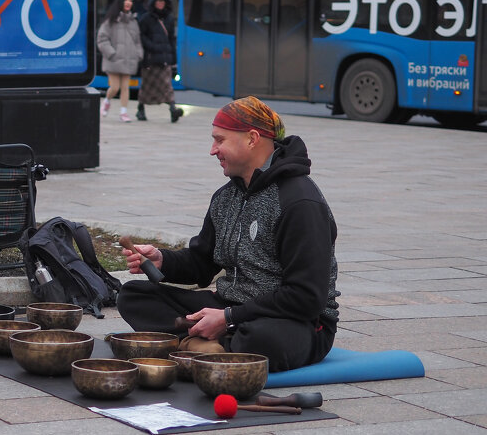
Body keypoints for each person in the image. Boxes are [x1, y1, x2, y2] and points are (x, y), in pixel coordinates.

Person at [116, 97, 338, 372]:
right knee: (132, 296)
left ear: (252, 139)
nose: (213, 150)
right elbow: (202, 263)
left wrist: (229, 318)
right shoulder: (226, 197)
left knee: (258, 339)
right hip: (232, 307)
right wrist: (163, 260)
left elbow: (306, 298)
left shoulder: (300, 202)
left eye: (220, 140)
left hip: (298, 322)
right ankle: (214, 347)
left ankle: (199, 344)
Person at [96, 0, 143, 123]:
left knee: (125, 87)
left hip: (129, 60)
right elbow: (102, 39)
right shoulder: (110, 21)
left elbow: (137, 41)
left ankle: (123, 112)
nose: (128, 3)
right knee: (115, 87)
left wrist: (138, 54)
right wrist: (111, 53)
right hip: (114, 60)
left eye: (130, 0)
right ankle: (107, 100)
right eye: (125, 0)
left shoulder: (134, 21)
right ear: (120, 2)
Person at [137, 0, 183, 123]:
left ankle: (173, 109)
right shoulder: (146, 18)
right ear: (153, 3)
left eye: (162, 1)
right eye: (158, 1)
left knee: (167, 85)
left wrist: (173, 57)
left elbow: (171, 39)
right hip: (150, 59)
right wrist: (151, 46)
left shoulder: (168, 18)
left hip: (164, 58)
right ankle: (140, 109)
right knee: (147, 86)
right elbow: (141, 36)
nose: (160, 3)